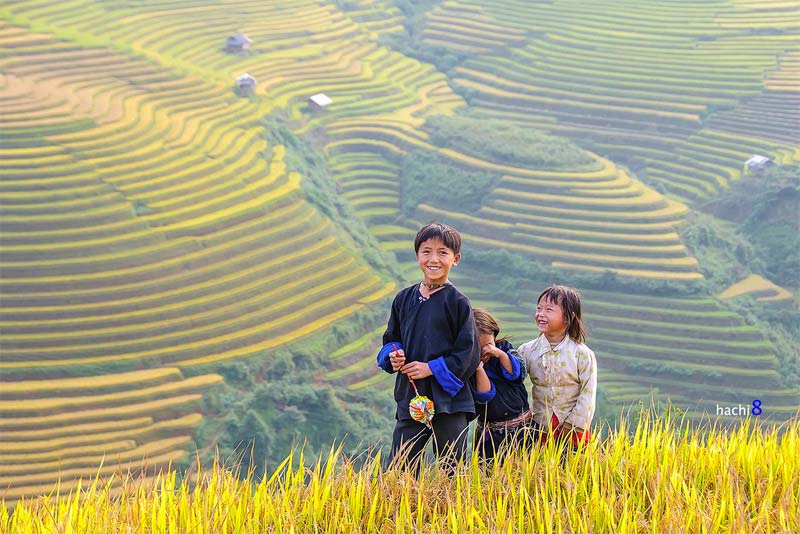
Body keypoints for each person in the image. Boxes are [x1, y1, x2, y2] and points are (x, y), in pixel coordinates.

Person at [376, 222, 480, 474]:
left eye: (442, 252)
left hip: (449, 401)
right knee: (400, 469)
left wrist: (430, 368)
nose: (434, 259)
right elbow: (391, 338)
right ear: (417, 256)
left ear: (455, 259)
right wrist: (394, 356)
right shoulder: (404, 298)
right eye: (426, 251)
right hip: (412, 397)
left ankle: (452, 513)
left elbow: (468, 353)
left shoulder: (458, 303)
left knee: (452, 470)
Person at [518, 285, 597, 449]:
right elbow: (514, 380)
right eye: (539, 308)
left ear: (567, 318)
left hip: (574, 431)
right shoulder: (527, 351)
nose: (541, 314)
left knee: (574, 471)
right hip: (540, 427)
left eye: (549, 310)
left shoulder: (582, 354)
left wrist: (573, 425)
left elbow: (588, 393)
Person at [472, 308, 537, 464]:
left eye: (489, 345)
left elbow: (517, 374)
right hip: (490, 435)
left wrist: (500, 354)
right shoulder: (468, 366)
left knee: (524, 473)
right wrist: (479, 368)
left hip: (522, 430)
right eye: (478, 349)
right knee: (488, 477)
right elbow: (485, 396)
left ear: (495, 337)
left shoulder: (505, 348)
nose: (485, 352)